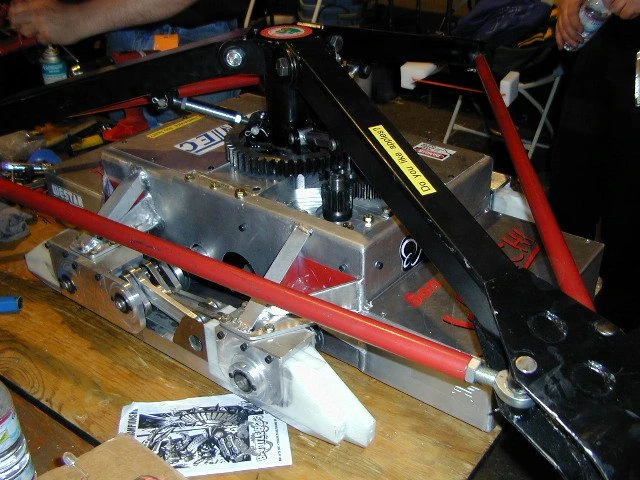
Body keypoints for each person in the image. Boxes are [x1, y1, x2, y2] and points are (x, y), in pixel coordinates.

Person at [8, 0, 251, 132]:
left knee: (192, 175)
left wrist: (77, 19)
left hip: (196, 34)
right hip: (118, 29)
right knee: (125, 170)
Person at [550, 0, 640, 332]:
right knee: (569, 195)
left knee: (630, 212)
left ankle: (618, 332)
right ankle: (560, 313)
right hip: (601, 46)